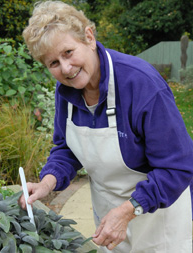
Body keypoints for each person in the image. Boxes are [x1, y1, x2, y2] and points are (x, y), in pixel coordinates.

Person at [19, 1, 193, 252]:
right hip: (108, 220)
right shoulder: (66, 91)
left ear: (89, 37)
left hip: (158, 221)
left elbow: (176, 166)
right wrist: (46, 183)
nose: (66, 69)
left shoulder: (140, 84)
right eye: (53, 63)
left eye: (68, 52)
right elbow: (67, 148)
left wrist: (126, 211)